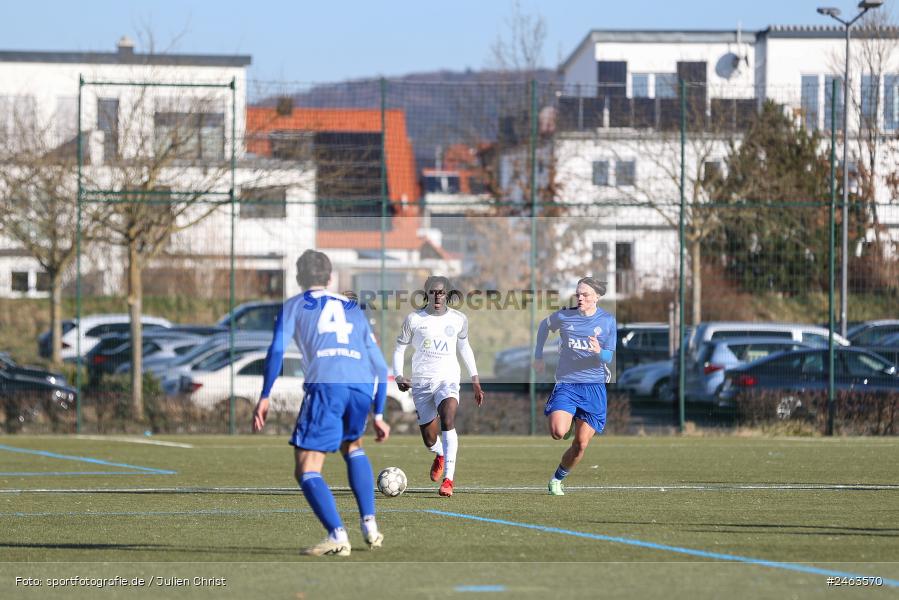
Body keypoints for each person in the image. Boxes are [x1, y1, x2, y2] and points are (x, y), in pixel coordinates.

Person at [252, 250, 391, 557]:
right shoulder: (354, 308)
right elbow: (381, 367)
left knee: (306, 467)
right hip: (360, 385)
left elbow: (276, 351)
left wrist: (265, 396)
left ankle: (337, 535)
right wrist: (379, 413)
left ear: (300, 279)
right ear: (330, 278)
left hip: (328, 385)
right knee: (352, 445)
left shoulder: (294, 305)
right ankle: (370, 525)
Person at [393, 276, 484, 497]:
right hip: (422, 382)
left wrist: (475, 378)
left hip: (448, 379)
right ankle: (439, 454)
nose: (437, 296)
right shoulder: (414, 319)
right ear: (426, 294)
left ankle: (448, 480)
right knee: (429, 439)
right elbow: (399, 349)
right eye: (433, 292)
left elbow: (465, 348)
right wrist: (398, 376)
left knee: (448, 418)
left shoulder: (459, 319)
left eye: (441, 292)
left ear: (447, 295)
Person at [535, 276, 616, 496]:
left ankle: (557, 479)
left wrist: (598, 352)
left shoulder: (607, 321)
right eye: (578, 294)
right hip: (568, 384)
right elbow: (544, 326)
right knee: (557, 432)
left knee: (580, 445)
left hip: (593, 388)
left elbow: (608, 356)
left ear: (596, 297)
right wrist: (538, 355)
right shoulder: (564, 316)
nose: (580, 297)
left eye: (585, 294)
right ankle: (568, 421)